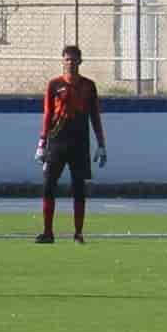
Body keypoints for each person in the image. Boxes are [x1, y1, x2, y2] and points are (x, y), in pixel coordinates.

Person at [37, 44, 108, 243]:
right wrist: (42, 142)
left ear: (80, 61)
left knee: (79, 189)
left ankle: (78, 233)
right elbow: (48, 114)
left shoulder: (88, 86)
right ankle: (48, 232)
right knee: (48, 186)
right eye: (67, 59)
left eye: (74, 59)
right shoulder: (54, 85)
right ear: (62, 61)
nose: (71, 63)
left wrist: (101, 143)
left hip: (80, 143)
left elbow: (95, 116)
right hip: (57, 142)